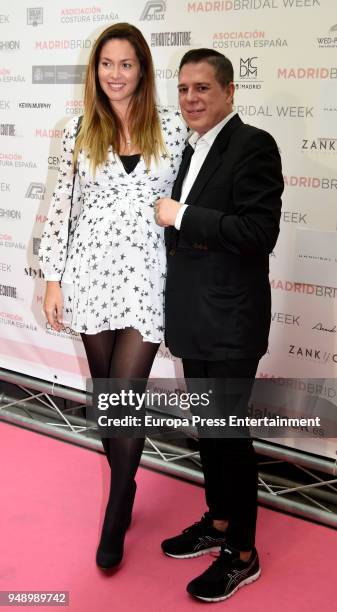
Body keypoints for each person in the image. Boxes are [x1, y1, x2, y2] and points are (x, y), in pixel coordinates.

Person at [39, 23, 186, 570]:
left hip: (147, 275)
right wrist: (54, 279)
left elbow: (192, 199)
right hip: (89, 272)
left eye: (126, 64)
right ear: (95, 71)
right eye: (106, 64)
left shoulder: (171, 127)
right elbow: (62, 210)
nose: (115, 74)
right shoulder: (78, 128)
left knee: (125, 392)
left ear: (142, 70)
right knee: (107, 398)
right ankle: (125, 492)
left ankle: (117, 507)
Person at [155, 48, 283, 602]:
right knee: (209, 431)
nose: (191, 99)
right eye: (184, 89)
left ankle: (244, 554)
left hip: (231, 321)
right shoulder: (190, 149)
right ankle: (220, 523)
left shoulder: (253, 144)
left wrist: (181, 214)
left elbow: (258, 233)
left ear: (230, 91)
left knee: (229, 435)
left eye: (203, 88)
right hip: (195, 318)